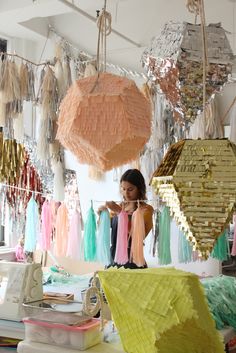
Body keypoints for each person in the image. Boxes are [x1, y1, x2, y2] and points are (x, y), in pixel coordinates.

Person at [99, 169, 153, 269]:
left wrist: (120, 213)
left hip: (133, 260)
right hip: (113, 258)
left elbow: (138, 236)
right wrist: (102, 215)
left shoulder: (146, 210)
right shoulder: (120, 206)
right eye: (123, 189)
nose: (126, 193)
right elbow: (103, 228)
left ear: (139, 189)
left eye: (130, 189)